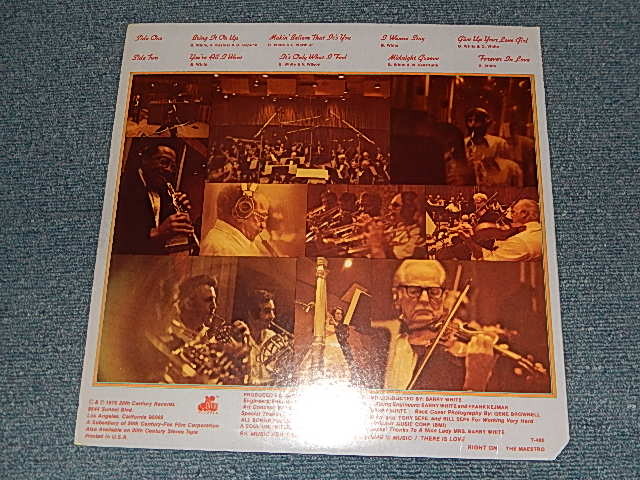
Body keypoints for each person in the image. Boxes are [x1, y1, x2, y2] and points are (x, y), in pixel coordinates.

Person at [383, 260, 498, 391]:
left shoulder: (462, 360)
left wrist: (476, 381)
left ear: (444, 297)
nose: (424, 299)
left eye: (434, 292)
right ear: (396, 296)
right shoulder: (383, 340)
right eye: (414, 291)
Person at [155, 275, 252, 385]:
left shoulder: (210, 337)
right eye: (208, 300)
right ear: (188, 304)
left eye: (214, 300)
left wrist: (244, 343)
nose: (214, 306)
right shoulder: (170, 336)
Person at [112, 143, 195, 255]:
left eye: (173, 167)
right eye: (164, 162)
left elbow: (161, 224)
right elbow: (114, 233)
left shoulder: (164, 191)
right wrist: (156, 232)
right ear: (145, 160)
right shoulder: (120, 184)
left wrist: (178, 212)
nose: (169, 170)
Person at [200, 184, 271, 256]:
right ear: (240, 213)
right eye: (260, 217)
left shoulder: (238, 243)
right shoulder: (223, 249)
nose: (263, 226)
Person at [461, 199, 542, 261]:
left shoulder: (519, 241)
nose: (511, 216)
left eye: (513, 212)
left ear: (524, 214)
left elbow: (489, 262)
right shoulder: (540, 231)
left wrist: (470, 243)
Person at [464, 107, 523, 187]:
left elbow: (509, 169)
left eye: (477, 121)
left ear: (486, 123)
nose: (473, 124)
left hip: (495, 185)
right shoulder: (463, 144)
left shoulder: (499, 143)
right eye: (470, 121)